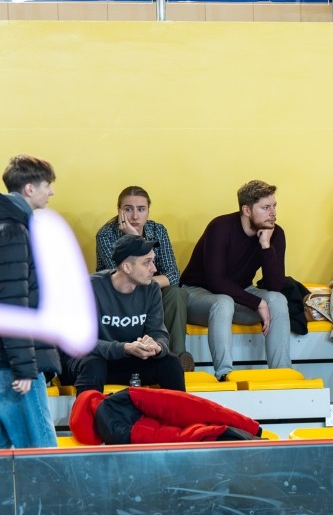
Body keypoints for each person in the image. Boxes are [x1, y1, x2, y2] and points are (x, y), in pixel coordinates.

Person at [180, 180, 291, 381]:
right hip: (196, 293)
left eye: (274, 206)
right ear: (246, 210)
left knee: (278, 300)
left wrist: (266, 246)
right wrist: (257, 302)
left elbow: (276, 285)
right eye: (265, 208)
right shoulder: (220, 227)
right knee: (223, 302)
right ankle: (225, 374)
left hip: (237, 296)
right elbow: (216, 281)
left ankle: (282, 373)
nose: (273, 213)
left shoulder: (275, 233)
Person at [62, 236, 186, 395]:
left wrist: (156, 346)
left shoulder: (152, 289)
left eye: (153, 261)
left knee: (170, 363)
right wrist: (124, 348)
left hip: (124, 359)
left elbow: (158, 333)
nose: (154, 269)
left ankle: (180, 412)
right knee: (93, 364)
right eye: (147, 262)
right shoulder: (88, 287)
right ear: (127, 267)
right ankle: (86, 411)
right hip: (85, 360)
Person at [95, 186, 193, 373]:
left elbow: (173, 274)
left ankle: (177, 356)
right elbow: (125, 273)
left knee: (176, 294)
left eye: (141, 209)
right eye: (128, 209)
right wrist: (133, 237)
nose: (134, 216)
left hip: (150, 291)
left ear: (148, 210)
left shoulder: (158, 230)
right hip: (118, 295)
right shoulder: (106, 234)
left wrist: (149, 284)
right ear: (119, 211)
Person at [0, 155, 60, 448]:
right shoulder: (13, 230)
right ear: (29, 188)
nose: (51, 192)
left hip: (8, 360)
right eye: (47, 185)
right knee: (41, 456)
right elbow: (12, 302)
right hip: (14, 366)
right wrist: (24, 367)